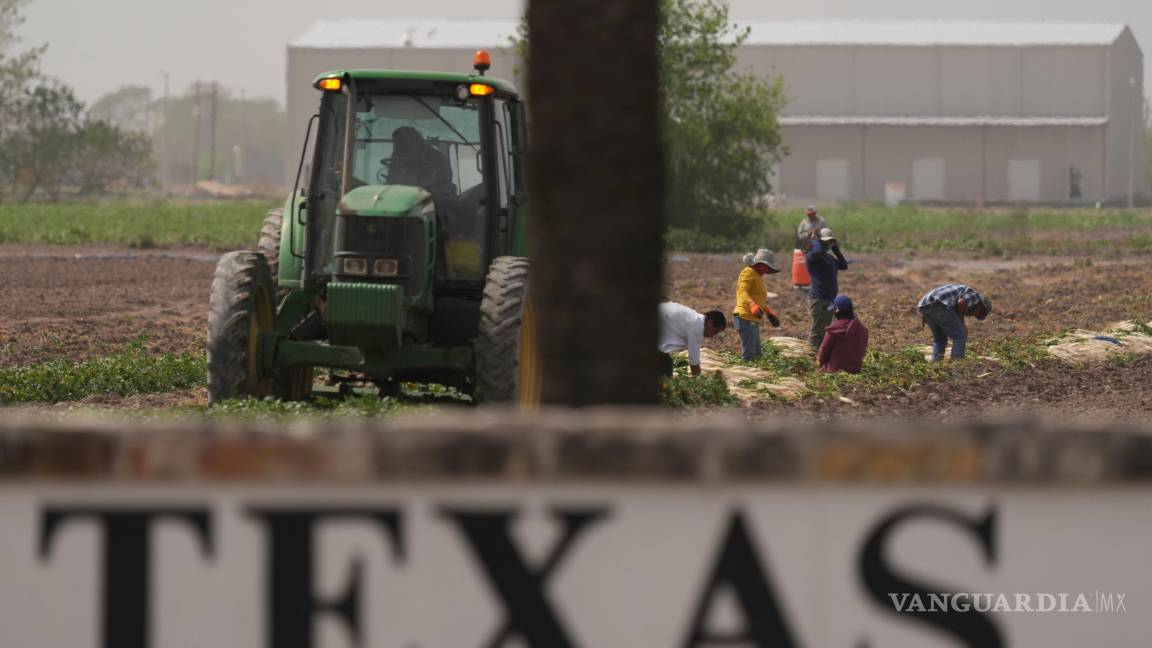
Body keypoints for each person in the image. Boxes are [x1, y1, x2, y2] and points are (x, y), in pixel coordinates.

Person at [917, 284, 992, 362]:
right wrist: (962, 324)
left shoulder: (964, 293)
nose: (975, 315)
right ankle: (957, 363)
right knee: (960, 335)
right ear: (982, 306)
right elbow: (962, 303)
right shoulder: (976, 297)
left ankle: (936, 363)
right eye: (980, 313)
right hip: (939, 304)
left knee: (940, 338)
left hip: (924, 305)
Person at [732, 248, 781, 361]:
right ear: (759, 264)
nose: (768, 269)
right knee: (749, 354)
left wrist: (769, 312)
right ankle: (744, 375)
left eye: (769, 268)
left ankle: (754, 373)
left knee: (757, 354)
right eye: (766, 266)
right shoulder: (748, 272)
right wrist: (752, 305)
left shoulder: (757, 275)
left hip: (751, 318)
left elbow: (757, 299)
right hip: (745, 317)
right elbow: (742, 292)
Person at [804, 227, 849, 349]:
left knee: (824, 331)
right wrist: (816, 240)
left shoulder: (828, 258)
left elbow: (844, 265)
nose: (827, 244)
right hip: (818, 299)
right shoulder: (812, 256)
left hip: (829, 299)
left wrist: (835, 248)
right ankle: (809, 358)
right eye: (825, 242)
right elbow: (817, 252)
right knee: (817, 331)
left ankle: (817, 357)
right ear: (819, 241)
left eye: (829, 241)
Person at [658, 302, 726, 377]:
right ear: (710, 323)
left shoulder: (695, 319)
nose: (712, 336)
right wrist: (698, 382)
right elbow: (694, 363)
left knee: (664, 363)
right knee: (665, 365)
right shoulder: (697, 328)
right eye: (714, 331)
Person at [387, 126, 454, 194]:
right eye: (399, 143)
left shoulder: (437, 158)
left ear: (415, 140)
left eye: (405, 141)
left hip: (433, 198)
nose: (402, 146)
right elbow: (392, 178)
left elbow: (441, 182)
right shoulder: (398, 156)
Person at [816, 295, 869, 374]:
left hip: (835, 370)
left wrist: (819, 364)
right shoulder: (863, 330)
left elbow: (824, 351)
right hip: (855, 370)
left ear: (837, 310)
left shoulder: (833, 330)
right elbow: (862, 352)